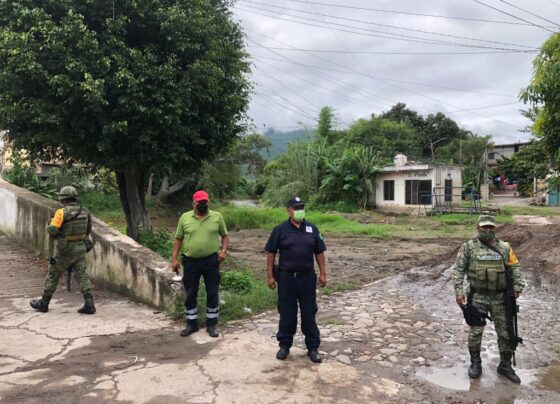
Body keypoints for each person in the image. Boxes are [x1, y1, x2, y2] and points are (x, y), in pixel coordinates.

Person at [452, 215, 525, 384]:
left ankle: (505, 366)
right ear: (478, 228)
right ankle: (476, 363)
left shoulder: (505, 247)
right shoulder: (468, 248)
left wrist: (518, 287)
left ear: (495, 228)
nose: (488, 230)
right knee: (475, 332)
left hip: (501, 298)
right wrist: (459, 291)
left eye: (491, 227)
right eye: (484, 227)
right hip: (478, 297)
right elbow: (458, 270)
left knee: (506, 333)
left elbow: (515, 267)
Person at [265, 197, 327, 363]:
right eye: (296, 207)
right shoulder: (280, 230)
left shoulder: (312, 228)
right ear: (289, 210)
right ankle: (284, 345)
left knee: (309, 312)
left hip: (307, 278)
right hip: (286, 278)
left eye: (301, 207)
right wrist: (270, 276)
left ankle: (312, 347)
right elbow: (271, 253)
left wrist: (323, 273)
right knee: (287, 312)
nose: (299, 210)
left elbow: (319, 252)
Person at [171, 190, 229, 338]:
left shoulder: (217, 217)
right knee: (191, 292)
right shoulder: (185, 218)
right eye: (200, 202)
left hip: (211, 261)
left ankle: (211, 324)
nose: (203, 205)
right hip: (190, 262)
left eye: (205, 202)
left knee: (212, 292)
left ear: (208, 202)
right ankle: (191, 324)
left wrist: (223, 250)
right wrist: (174, 259)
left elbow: (225, 235)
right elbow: (178, 238)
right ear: (194, 203)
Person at [30, 186, 95, 314]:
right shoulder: (85, 211)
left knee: (53, 275)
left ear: (63, 199)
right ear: (75, 197)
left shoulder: (61, 212)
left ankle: (44, 303)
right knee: (82, 276)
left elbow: (52, 230)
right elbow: (88, 230)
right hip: (80, 249)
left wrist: (52, 224)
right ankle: (89, 304)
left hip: (63, 251)